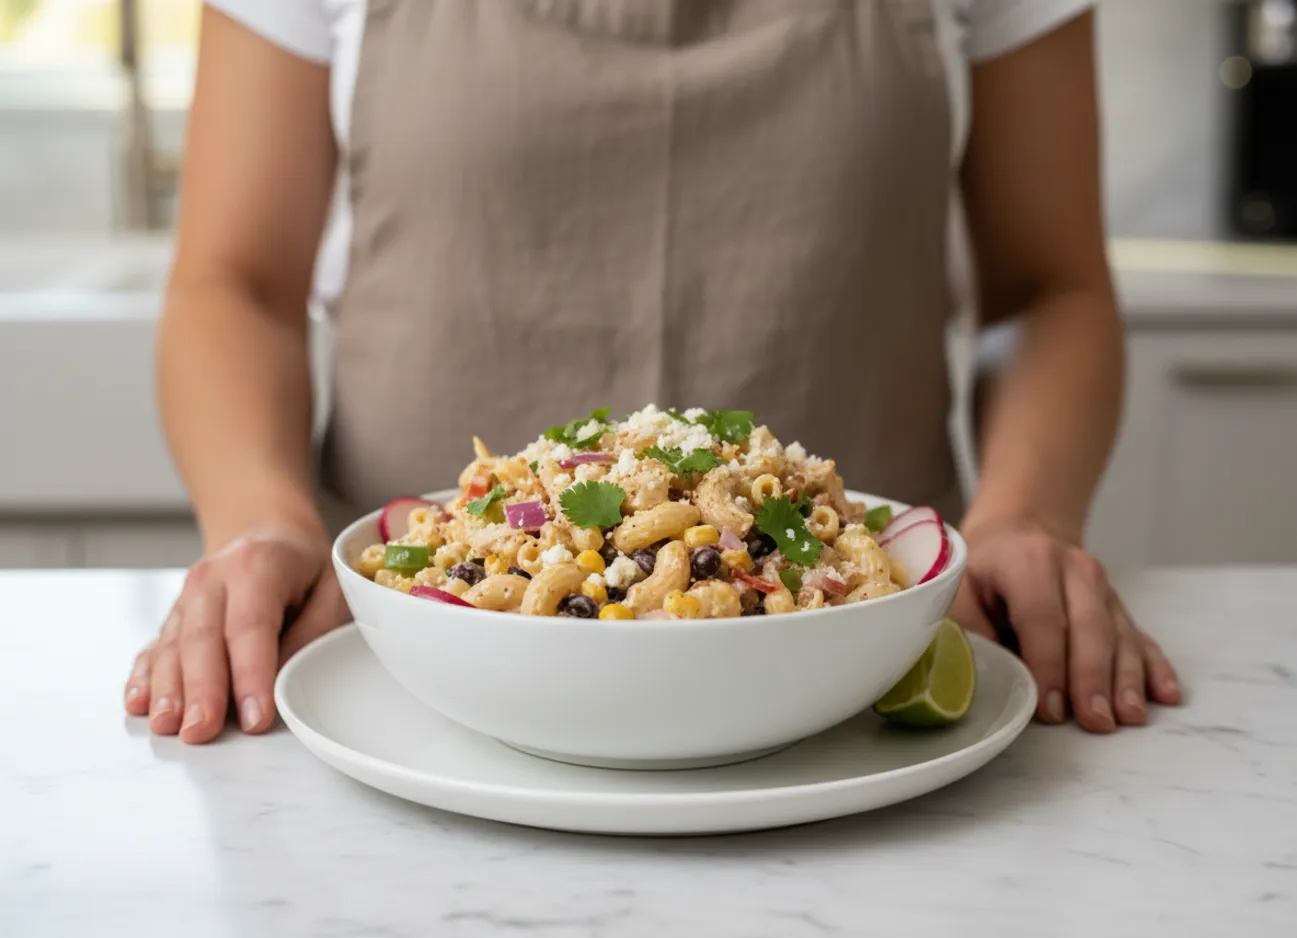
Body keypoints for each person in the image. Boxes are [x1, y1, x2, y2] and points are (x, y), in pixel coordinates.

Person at [124, 0, 1181, 745]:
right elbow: (235, 282)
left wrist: (1027, 513)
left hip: (855, 675)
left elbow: (1048, 287)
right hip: (412, 670)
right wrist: (262, 519)